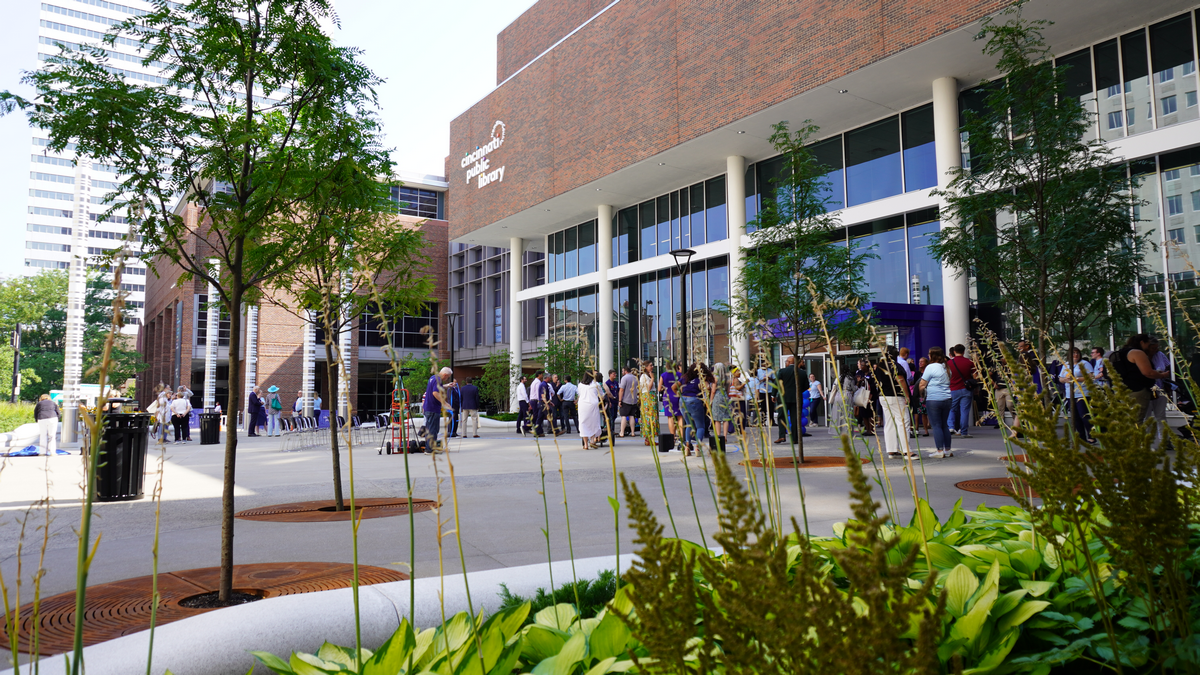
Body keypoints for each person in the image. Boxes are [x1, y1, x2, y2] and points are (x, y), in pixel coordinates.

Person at [1111, 333, 1171, 422]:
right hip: (1137, 390)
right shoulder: (1137, 353)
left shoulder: (1121, 353)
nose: (1148, 347)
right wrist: (1163, 375)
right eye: (1148, 344)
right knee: (1137, 420)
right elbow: (1148, 372)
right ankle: (1138, 435)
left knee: (1127, 418)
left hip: (1122, 389)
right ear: (1142, 342)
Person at [874, 347, 914, 458]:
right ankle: (906, 450)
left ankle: (891, 449)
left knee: (889, 422)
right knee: (903, 421)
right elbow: (900, 379)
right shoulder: (895, 365)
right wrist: (906, 395)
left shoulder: (880, 366)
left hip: (883, 396)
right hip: (896, 395)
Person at [919, 347, 953, 459]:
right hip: (947, 398)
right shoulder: (946, 367)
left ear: (932, 355)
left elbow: (922, 384)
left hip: (934, 399)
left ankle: (939, 450)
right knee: (944, 425)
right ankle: (947, 449)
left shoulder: (931, 367)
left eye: (929, 354)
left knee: (936, 425)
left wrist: (921, 393)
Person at [1059, 347, 1095, 443]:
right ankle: (1081, 436)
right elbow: (1060, 378)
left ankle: (1091, 435)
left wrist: (1076, 379)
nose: (1075, 355)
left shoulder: (1084, 364)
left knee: (1084, 415)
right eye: (1073, 353)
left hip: (1082, 393)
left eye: (1077, 353)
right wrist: (1064, 380)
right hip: (1070, 394)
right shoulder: (1066, 365)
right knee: (1075, 417)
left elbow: (1090, 377)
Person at [775, 356, 808, 444]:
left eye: (786, 361)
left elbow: (777, 383)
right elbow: (806, 386)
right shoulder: (802, 373)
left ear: (789, 362)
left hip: (783, 398)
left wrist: (773, 395)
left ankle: (782, 436)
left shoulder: (782, 371)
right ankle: (794, 438)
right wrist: (798, 391)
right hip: (796, 398)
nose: (786, 363)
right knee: (795, 419)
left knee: (782, 417)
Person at [1147, 337, 1173, 444]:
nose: (1155, 350)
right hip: (1147, 389)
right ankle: (1146, 441)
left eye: (1157, 348)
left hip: (1160, 387)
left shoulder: (1160, 355)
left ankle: (1164, 440)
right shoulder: (1142, 356)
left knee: (1161, 415)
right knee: (1146, 417)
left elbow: (1168, 367)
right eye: (1153, 348)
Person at [946, 344, 977, 438]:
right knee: (964, 411)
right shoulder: (970, 362)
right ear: (964, 351)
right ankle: (964, 432)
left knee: (951, 409)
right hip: (966, 389)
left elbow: (946, 377)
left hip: (953, 389)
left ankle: (951, 427)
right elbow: (975, 377)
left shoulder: (949, 363)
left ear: (954, 352)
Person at [422, 367, 453, 452]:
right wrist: (445, 403)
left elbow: (436, 388)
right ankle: (430, 449)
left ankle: (429, 447)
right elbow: (435, 392)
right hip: (433, 408)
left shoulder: (433, 377)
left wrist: (446, 386)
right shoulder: (438, 380)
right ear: (445, 375)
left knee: (430, 428)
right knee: (433, 429)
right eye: (448, 377)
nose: (447, 378)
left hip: (428, 407)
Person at [679, 363, 707, 456]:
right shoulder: (700, 380)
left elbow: (673, 386)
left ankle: (687, 446)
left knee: (689, 424)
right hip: (694, 400)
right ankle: (698, 447)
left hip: (683, 400)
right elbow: (707, 388)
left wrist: (679, 395)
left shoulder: (685, 378)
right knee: (700, 426)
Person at [577, 371, 605, 449]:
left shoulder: (580, 385)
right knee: (593, 422)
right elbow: (602, 396)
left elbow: (579, 394)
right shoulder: (596, 385)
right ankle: (592, 440)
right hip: (593, 405)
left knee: (583, 423)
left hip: (582, 405)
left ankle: (585, 444)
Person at [825, 368, 856, 438]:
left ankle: (838, 430)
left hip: (838, 395)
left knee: (838, 413)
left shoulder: (838, 378)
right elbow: (854, 388)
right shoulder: (850, 378)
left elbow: (835, 387)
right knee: (847, 414)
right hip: (847, 395)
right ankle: (847, 431)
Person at [659, 361, 684, 441]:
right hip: (677, 396)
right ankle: (682, 436)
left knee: (670, 418)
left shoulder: (663, 375)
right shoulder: (679, 375)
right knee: (680, 417)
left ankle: (672, 437)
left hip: (667, 397)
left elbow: (659, 389)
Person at [636, 361, 658, 446]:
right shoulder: (644, 376)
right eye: (650, 365)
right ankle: (648, 438)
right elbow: (648, 388)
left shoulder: (647, 375)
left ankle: (650, 438)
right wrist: (652, 379)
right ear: (646, 367)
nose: (652, 367)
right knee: (649, 417)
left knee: (652, 417)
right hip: (648, 397)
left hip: (651, 397)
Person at [710, 362, 733, 442]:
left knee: (717, 419)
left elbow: (713, 391)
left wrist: (710, 401)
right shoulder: (727, 379)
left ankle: (719, 436)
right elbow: (728, 391)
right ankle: (725, 436)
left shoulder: (715, 378)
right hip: (725, 397)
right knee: (725, 418)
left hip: (717, 396)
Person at [617, 366, 638, 438]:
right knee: (632, 416)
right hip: (634, 400)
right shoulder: (635, 378)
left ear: (625, 371)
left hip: (625, 400)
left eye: (623, 371)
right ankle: (632, 432)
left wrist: (620, 400)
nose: (622, 373)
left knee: (623, 416)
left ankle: (622, 432)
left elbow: (621, 390)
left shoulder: (624, 378)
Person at [913, 358, 931, 437]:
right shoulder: (917, 373)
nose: (920, 363)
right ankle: (922, 429)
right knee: (921, 412)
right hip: (920, 395)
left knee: (927, 413)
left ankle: (927, 427)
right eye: (919, 362)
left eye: (922, 362)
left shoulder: (928, 372)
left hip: (929, 393)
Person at [529, 372, 547, 437]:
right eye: (541, 375)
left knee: (539, 416)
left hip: (532, 400)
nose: (542, 376)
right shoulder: (538, 382)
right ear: (539, 375)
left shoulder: (534, 382)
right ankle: (536, 430)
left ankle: (539, 431)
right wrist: (540, 400)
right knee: (537, 416)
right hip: (536, 400)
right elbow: (537, 392)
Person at [604, 370, 619, 437]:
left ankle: (613, 429)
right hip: (611, 402)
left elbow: (618, 391)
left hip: (616, 401)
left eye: (615, 374)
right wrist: (609, 402)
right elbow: (607, 394)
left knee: (615, 416)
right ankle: (611, 430)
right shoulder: (607, 383)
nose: (615, 375)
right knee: (611, 416)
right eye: (613, 374)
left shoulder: (616, 383)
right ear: (610, 375)